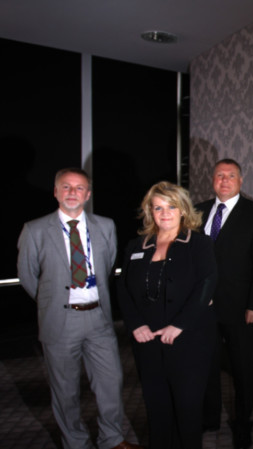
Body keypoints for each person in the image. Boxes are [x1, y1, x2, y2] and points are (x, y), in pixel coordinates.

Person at [17, 167, 140, 449]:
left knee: (111, 384)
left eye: (79, 187)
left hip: (99, 319)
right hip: (60, 323)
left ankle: (112, 439)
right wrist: (53, 304)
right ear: (56, 191)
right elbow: (27, 275)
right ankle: (75, 443)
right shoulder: (35, 230)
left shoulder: (105, 226)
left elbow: (107, 265)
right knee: (65, 391)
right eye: (66, 187)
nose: (73, 192)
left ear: (88, 194)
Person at [117, 181, 218, 449]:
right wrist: (135, 324)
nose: (165, 213)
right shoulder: (137, 245)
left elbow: (206, 285)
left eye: (171, 206)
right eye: (158, 207)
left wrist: (179, 325)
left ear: (183, 210)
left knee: (187, 410)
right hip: (147, 340)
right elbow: (123, 288)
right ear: (150, 211)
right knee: (156, 407)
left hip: (189, 340)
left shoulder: (199, 244)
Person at [197, 159, 253, 449]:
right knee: (207, 365)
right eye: (219, 176)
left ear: (241, 181)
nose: (224, 180)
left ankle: (243, 424)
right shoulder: (198, 211)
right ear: (212, 180)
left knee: (242, 369)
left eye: (231, 176)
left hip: (241, 309)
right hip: (202, 308)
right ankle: (210, 417)